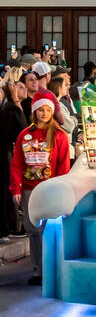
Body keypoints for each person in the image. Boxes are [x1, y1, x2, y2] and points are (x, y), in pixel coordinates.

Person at [9, 89, 71, 284]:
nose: (44, 113)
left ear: (52, 112)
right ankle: (38, 271)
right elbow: (17, 164)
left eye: (47, 110)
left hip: (50, 190)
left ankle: (54, 269)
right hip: (29, 190)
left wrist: (60, 189)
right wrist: (16, 189)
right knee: (33, 231)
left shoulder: (59, 136)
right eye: (40, 110)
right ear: (34, 111)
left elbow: (63, 166)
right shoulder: (24, 135)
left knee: (50, 230)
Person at [0, 79, 27, 240]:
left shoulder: (8, 111)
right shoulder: (7, 110)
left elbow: (22, 132)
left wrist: (16, 102)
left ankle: (7, 227)